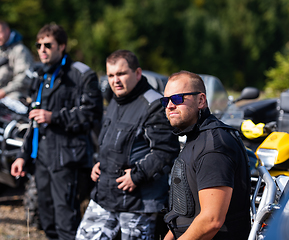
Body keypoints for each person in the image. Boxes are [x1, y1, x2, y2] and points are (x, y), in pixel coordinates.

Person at [10, 23, 103, 240]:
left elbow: (92, 114)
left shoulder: (81, 74)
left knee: (66, 222)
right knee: (46, 219)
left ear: (61, 46)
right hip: (42, 158)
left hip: (68, 159)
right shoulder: (39, 74)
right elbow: (33, 120)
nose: (42, 49)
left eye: (48, 45)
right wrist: (23, 156)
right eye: (39, 45)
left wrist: (54, 116)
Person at [76, 50, 180, 240]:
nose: (115, 80)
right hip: (105, 195)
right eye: (110, 75)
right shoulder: (116, 99)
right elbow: (112, 142)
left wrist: (137, 175)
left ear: (138, 73)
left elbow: (166, 151)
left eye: (121, 74)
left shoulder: (154, 104)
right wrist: (100, 163)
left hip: (139, 202)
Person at [161, 71, 251, 240]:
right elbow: (184, 214)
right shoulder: (196, 137)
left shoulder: (213, 146)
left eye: (178, 98)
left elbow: (211, 220)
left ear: (201, 100)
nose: (170, 105)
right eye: (165, 100)